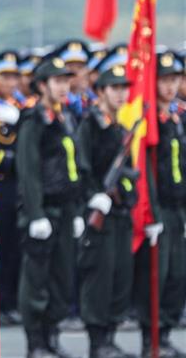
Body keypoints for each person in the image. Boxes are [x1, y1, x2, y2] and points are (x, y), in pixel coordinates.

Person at [16, 54, 81, 358]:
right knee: (37, 278)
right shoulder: (33, 118)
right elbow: (28, 169)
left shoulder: (65, 116)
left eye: (66, 80)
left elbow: (73, 166)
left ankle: (52, 334)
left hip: (66, 209)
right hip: (44, 211)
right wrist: (35, 214)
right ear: (41, 85)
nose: (63, 86)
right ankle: (36, 342)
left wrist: (78, 209)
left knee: (62, 275)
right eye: (57, 81)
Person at [74, 52, 135, 358]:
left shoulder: (120, 129)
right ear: (101, 92)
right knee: (98, 279)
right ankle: (97, 343)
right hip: (99, 214)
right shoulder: (90, 125)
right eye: (115, 88)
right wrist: (92, 197)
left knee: (120, 277)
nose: (122, 94)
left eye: (125, 88)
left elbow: (130, 173)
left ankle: (110, 336)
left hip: (120, 216)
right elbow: (81, 166)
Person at [135, 51, 186, 357]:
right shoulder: (149, 120)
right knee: (157, 273)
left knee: (179, 274)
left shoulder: (179, 116)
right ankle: (149, 337)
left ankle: (166, 332)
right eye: (164, 80)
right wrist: (150, 209)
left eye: (175, 79)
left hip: (179, 207)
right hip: (158, 207)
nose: (170, 86)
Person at [0, 50, 23, 325]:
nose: (11, 82)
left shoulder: (20, 106)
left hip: (17, 185)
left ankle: (12, 302)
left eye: (14, 76)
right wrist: (9, 160)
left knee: (14, 247)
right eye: (5, 76)